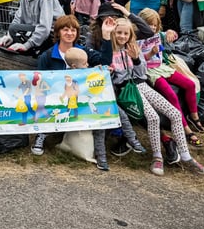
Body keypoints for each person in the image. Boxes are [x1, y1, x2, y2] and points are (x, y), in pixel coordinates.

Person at [33, 15, 144, 167]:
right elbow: (40, 81)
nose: (70, 33)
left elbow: (104, 61)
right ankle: (41, 135)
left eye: (73, 30)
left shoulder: (83, 51)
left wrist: (106, 35)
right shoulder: (47, 55)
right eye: (65, 30)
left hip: (83, 98)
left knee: (107, 109)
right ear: (58, 32)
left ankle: (125, 144)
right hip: (58, 98)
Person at [107, 18, 204, 176]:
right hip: (127, 91)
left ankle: (186, 156)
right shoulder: (110, 52)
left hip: (141, 85)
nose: (122, 36)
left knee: (175, 113)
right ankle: (157, 157)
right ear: (113, 34)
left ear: (130, 35)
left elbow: (141, 73)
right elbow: (118, 78)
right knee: (153, 118)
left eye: (125, 33)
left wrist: (136, 59)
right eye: (119, 33)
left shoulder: (133, 47)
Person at [138, 8, 204, 147]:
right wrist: (150, 53)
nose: (152, 27)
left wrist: (171, 33)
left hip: (162, 67)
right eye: (148, 24)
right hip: (149, 71)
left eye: (154, 25)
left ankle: (194, 116)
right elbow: (137, 60)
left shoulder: (157, 35)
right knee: (171, 95)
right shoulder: (137, 38)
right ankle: (186, 129)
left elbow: (172, 35)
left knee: (190, 84)